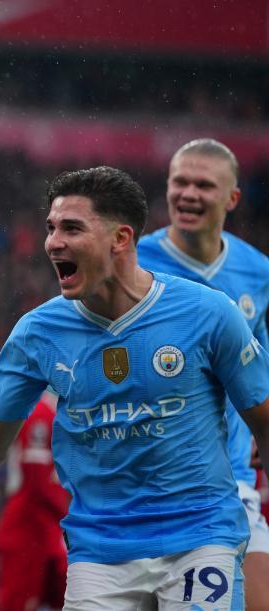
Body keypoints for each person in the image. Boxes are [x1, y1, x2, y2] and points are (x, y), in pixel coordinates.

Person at [0, 166, 269, 610]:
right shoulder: (39, 333)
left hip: (198, 539)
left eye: (72, 228)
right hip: (100, 555)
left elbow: (263, 419)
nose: (53, 243)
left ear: (121, 238)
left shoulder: (207, 314)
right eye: (51, 228)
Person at [136, 138, 269, 611]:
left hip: (230, 481)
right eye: (180, 182)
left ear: (232, 198)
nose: (188, 194)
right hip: (145, 487)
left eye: (203, 185)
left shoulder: (258, 272)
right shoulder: (132, 266)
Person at [0, 390, 68, 611]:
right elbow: (37, 480)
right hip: (31, 523)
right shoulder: (40, 413)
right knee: (19, 602)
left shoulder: (58, 411)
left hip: (46, 523)